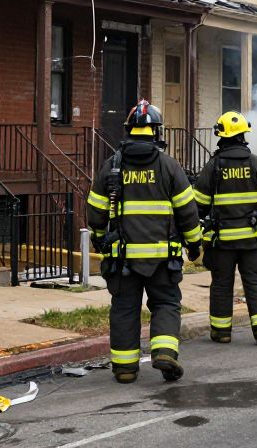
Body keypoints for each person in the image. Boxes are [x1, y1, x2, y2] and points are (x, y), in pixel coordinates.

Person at [86, 100, 202, 384]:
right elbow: (188, 211)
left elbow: (95, 213)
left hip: (122, 259)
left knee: (125, 308)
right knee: (165, 303)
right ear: (156, 131)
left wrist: (100, 241)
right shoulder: (169, 166)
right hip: (162, 259)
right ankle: (164, 351)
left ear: (129, 130)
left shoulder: (111, 166)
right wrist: (195, 243)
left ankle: (125, 369)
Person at [194, 111, 257, 346]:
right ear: (244, 135)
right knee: (255, 281)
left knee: (222, 284)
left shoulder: (212, 167)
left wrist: (192, 234)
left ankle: (221, 332)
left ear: (221, 136)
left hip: (221, 242)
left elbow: (198, 205)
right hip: (253, 240)